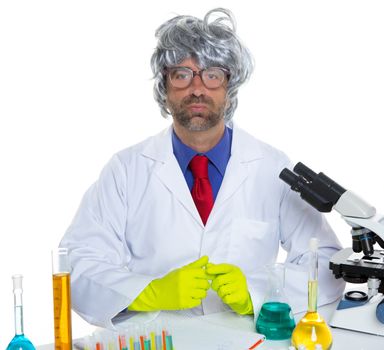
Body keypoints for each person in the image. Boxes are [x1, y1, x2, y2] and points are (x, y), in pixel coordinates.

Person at [60, 8, 345, 328]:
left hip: (245, 338)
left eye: (212, 74)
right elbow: (77, 263)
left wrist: (257, 290)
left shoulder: (272, 167)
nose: (197, 88)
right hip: (158, 336)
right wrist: (149, 292)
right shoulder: (126, 170)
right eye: (182, 74)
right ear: (164, 87)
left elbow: (326, 264)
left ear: (229, 85)